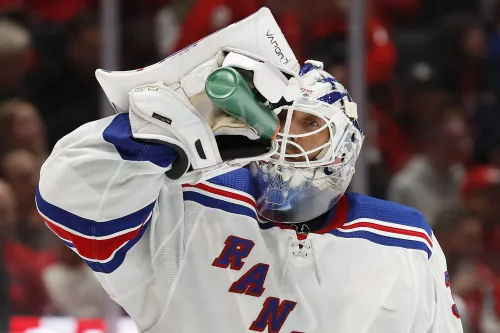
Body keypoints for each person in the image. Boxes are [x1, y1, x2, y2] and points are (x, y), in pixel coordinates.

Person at [36, 9, 462, 333]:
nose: (286, 134)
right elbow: (68, 203)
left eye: (309, 124)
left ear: (344, 143)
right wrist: (158, 129)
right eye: (283, 118)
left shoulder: (403, 237)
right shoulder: (190, 197)